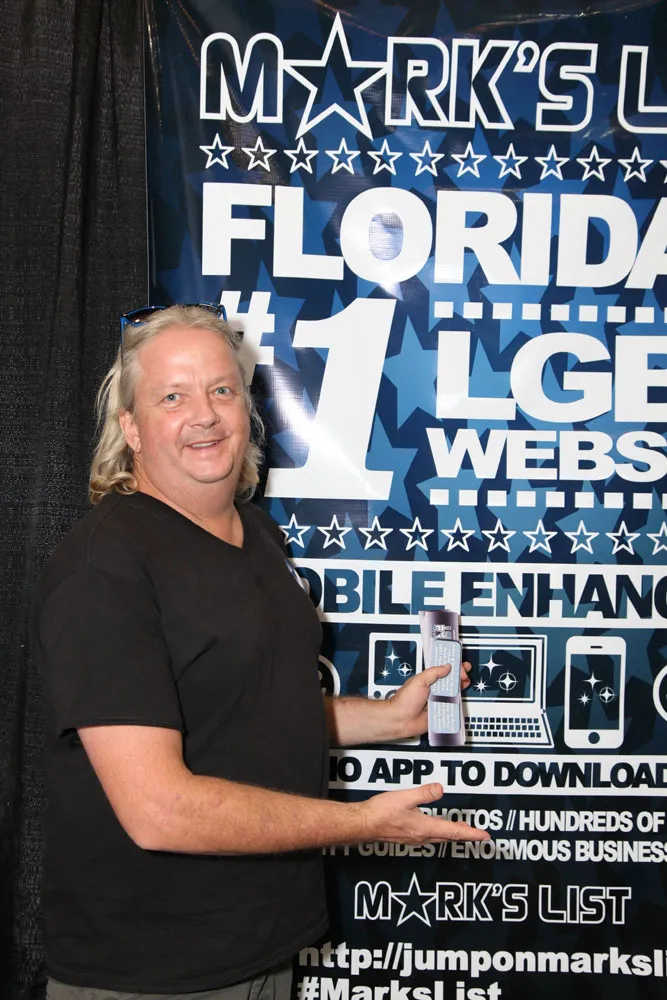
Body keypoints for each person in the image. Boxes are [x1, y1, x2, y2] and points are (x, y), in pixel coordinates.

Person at [31, 305, 488, 999]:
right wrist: (360, 823)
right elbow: (158, 810)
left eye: (221, 389)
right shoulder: (105, 569)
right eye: (172, 397)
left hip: (266, 945)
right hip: (154, 971)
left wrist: (390, 718)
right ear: (131, 429)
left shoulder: (255, 532)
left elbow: (249, 705)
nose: (204, 415)